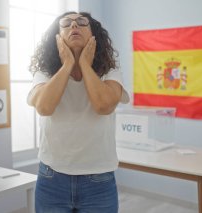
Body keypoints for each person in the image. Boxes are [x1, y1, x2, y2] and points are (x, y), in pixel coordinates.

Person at [27, 11, 129, 213]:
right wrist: (67, 65)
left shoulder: (110, 71)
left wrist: (84, 64)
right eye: (66, 24)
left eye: (82, 22)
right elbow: (44, 107)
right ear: (57, 37)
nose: (74, 26)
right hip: (51, 177)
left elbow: (104, 106)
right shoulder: (44, 74)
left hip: (98, 179)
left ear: (94, 35)